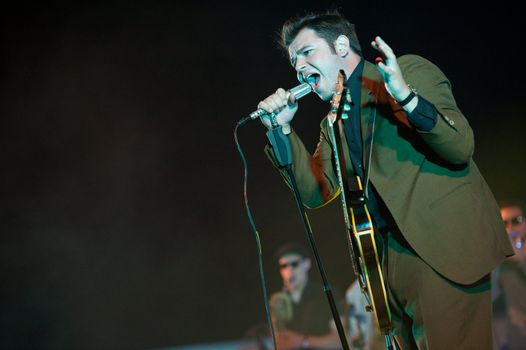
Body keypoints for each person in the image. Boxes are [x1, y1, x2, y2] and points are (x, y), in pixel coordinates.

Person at [256, 10, 514, 349]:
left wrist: (405, 97)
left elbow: (459, 146)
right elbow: (316, 192)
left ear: (342, 46)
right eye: (294, 62)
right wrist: (282, 130)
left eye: (307, 52)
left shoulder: (405, 73)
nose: (300, 67)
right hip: (384, 272)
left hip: (440, 254)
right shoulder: (332, 121)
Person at [269, 243, 345, 349]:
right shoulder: (279, 302)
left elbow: (341, 340)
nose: (289, 271)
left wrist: (302, 341)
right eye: (284, 266)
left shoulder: (326, 294)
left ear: (307, 264)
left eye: (294, 264)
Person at [492, 200, 526, 350]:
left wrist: (522, 262)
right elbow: (493, 298)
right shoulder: (496, 259)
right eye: (504, 223)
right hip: (512, 338)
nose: (511, 228)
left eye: (516, 221)